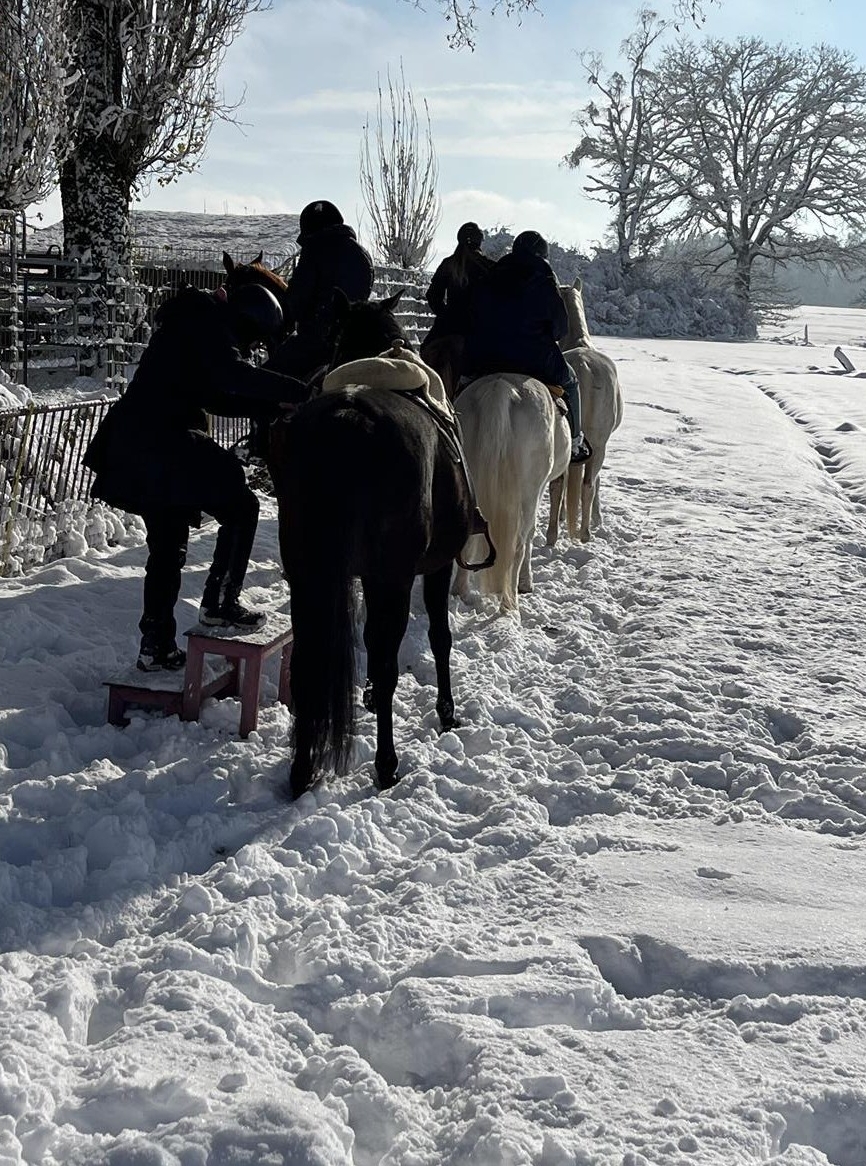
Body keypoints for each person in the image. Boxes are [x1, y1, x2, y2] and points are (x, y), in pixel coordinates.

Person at [84, 282, 305, 672]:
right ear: (244, 322)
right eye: (252, 342)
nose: (250, 351)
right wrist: (300, 391)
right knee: (242, 504)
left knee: (167, 548)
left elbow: (215, 395)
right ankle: (220, 603)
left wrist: (269, 407)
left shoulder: (189, 324)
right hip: (160, 443)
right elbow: (233, 376)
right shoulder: (206, 323)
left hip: (137, 446)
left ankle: (155, 645)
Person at [464, 230, 592, 463]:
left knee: (462, 386)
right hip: (535, 359)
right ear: (542, 254)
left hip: (486, 357)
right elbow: (560, 329)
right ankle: (575, 442)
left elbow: (475, 315)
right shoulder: (544, 278)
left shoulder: (492, 276)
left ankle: (451, 432)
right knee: (571, 382)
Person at [266, 199, 375, 383]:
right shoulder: (363, 254)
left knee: (268, 381)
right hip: (355, 339)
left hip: (317, 340)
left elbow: (298, 299)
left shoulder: (314, 249)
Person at [420, 221, 494, 397]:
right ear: (479, 242)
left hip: (446, 327)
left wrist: (446, 315)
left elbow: (432, 295)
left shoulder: (448, 264)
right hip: (475, 329)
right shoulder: (488, 266)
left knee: (423, 354)